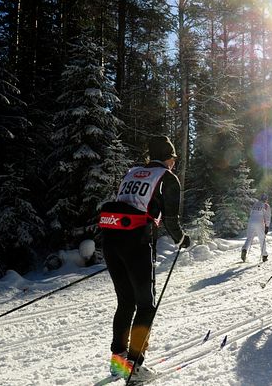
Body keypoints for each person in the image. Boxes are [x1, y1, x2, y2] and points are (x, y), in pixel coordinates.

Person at [98, 135, 190, 381]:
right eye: (173, 159)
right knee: (146, 306)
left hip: (111, 241)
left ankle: (118, 363)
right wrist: (182, 240)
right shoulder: (167, 178)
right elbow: (171, 220)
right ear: (169, 158)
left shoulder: (132, 172)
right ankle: (135, 367)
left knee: (125, 303)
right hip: (137, 244)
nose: (173, 163)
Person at [241, 193, 272, 262]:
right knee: (262, 239)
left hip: (251, 222)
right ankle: (264, 255)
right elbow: (268, 217)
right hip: (259, 222)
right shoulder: (266, 206)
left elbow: (251, 213)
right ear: (266, 199)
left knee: (249, 238)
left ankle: (244, 249)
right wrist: (267, 226)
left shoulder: (255, 204)